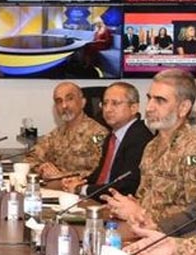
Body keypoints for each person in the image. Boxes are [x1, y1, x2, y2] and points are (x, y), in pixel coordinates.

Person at [103, 68, 196, 224]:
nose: (149, 108)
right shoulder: (151, 146)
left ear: (183, 107)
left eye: (160, 100)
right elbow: (146, 198)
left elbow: (191, 216)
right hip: (144, 232)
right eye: (149, 98)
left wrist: (141, 212)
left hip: (176, 242)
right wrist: (128, 205)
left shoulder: (192, 149)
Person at [62, 82, 153, 196]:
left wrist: (82, 189)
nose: (108, 109)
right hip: (101, 199)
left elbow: (125, 186)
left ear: (133, 108)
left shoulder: (140, 138)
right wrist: (80, 181)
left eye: (115, 103)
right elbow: (101, 175)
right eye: (105, 103)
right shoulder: (112, 136)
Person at [25, 82, 108, 180]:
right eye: (59, 101)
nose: (64, 106)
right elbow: (29, 159)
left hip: (82, 191)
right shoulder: (55, 135)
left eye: (70, 99)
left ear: (83, 102)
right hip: (56, 190)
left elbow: (102, 172)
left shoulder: (97, 134)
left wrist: (62, 176)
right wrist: (41, 169)